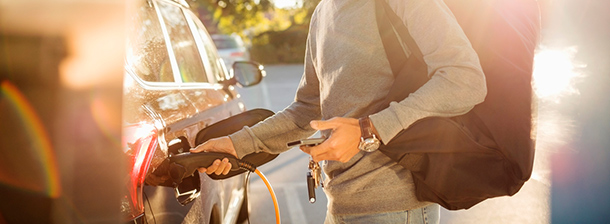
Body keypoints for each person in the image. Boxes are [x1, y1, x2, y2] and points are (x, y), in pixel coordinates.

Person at [191, 0, 487, 223]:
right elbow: (307, 110)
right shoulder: (323, 12)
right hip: (339, 205)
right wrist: (235, 144)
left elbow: (465, 80)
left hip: (394, 209)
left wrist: (368, 129)